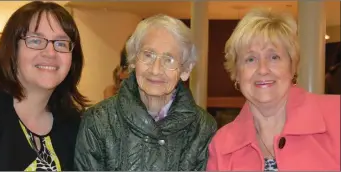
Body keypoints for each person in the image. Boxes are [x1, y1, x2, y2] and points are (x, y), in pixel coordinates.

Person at [0, 1, 88, 171]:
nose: (50, 53)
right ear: (13, 48)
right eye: (36, 41)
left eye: (61, 43)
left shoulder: (73, 125)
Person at [74, 14, 217, 171]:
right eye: (148, 55)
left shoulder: (203, 128)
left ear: (186, 70)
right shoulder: (98, 121)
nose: (155, 70)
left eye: (168, 59)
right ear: (134, 60)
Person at [206, 8, 340, 171]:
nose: (263, 69)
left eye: (274, 57)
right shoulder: (221, 145)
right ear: (236, 74)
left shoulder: (336, 116)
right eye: (250, 59)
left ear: (292, 67)